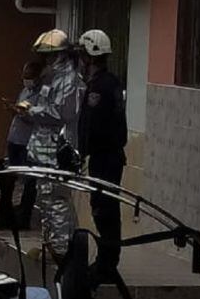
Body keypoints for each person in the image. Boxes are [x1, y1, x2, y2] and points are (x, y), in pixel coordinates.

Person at [25, 28, 85, 258]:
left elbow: (62, 113)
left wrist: (33, 110)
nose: (47, 60)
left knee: (56, 200)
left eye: (50, 56)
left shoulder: (70, 81)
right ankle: (51, 245)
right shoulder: (52, 78)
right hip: (43, 148)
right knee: (46, 199)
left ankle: (61, 250)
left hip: (57, 150)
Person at [77, 29, 128, 282]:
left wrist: (82, 151)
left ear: (91, 56)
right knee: (104, 207)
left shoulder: (101, 87)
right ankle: (106, 261)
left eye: (83, 55)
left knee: (104, 209)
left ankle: (107, 264)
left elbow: (94, 125)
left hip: (105, 157)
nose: (81, 60)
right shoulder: (109, 83)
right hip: (107, 156)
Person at [0, 61, 42, 231]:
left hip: (28, 142)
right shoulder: (24, 91)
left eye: (29, 77)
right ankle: (4, 216)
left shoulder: (42, 95)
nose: (26, 80)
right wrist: (13, 108)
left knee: (29, 182)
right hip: (15, 139)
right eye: (24, 77)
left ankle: (23, 218)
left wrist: (19, 113)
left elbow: (36, 117)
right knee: (7, 179)